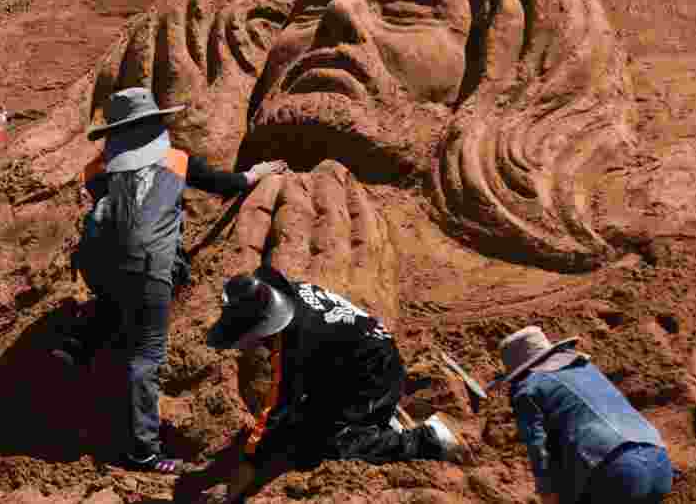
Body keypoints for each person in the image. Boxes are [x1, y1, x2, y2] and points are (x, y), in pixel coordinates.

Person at [53, 87, 287, 474]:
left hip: (100, 266)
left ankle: (81, 340)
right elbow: (226, 185)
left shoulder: (95, 170)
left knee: (116, 296)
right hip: (150, 268)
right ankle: (143, 452)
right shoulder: (175, 161)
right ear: (153, 126)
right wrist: (256, 174)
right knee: (145, 357)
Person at [188, 266, 467, 502]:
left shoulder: (295, 344)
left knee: (330, 446)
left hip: (374, 377)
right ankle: (372, 417)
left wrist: (235, 485)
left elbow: (275, 411)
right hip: (351, 363)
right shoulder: (291, 293)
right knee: (298, 427)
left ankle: (427, 441)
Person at [492, 326, 673, 504]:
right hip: (659, 462)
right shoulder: (583, 366)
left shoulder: (527, 388)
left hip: (616, 473)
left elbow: (537, 445)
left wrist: (547, 493)